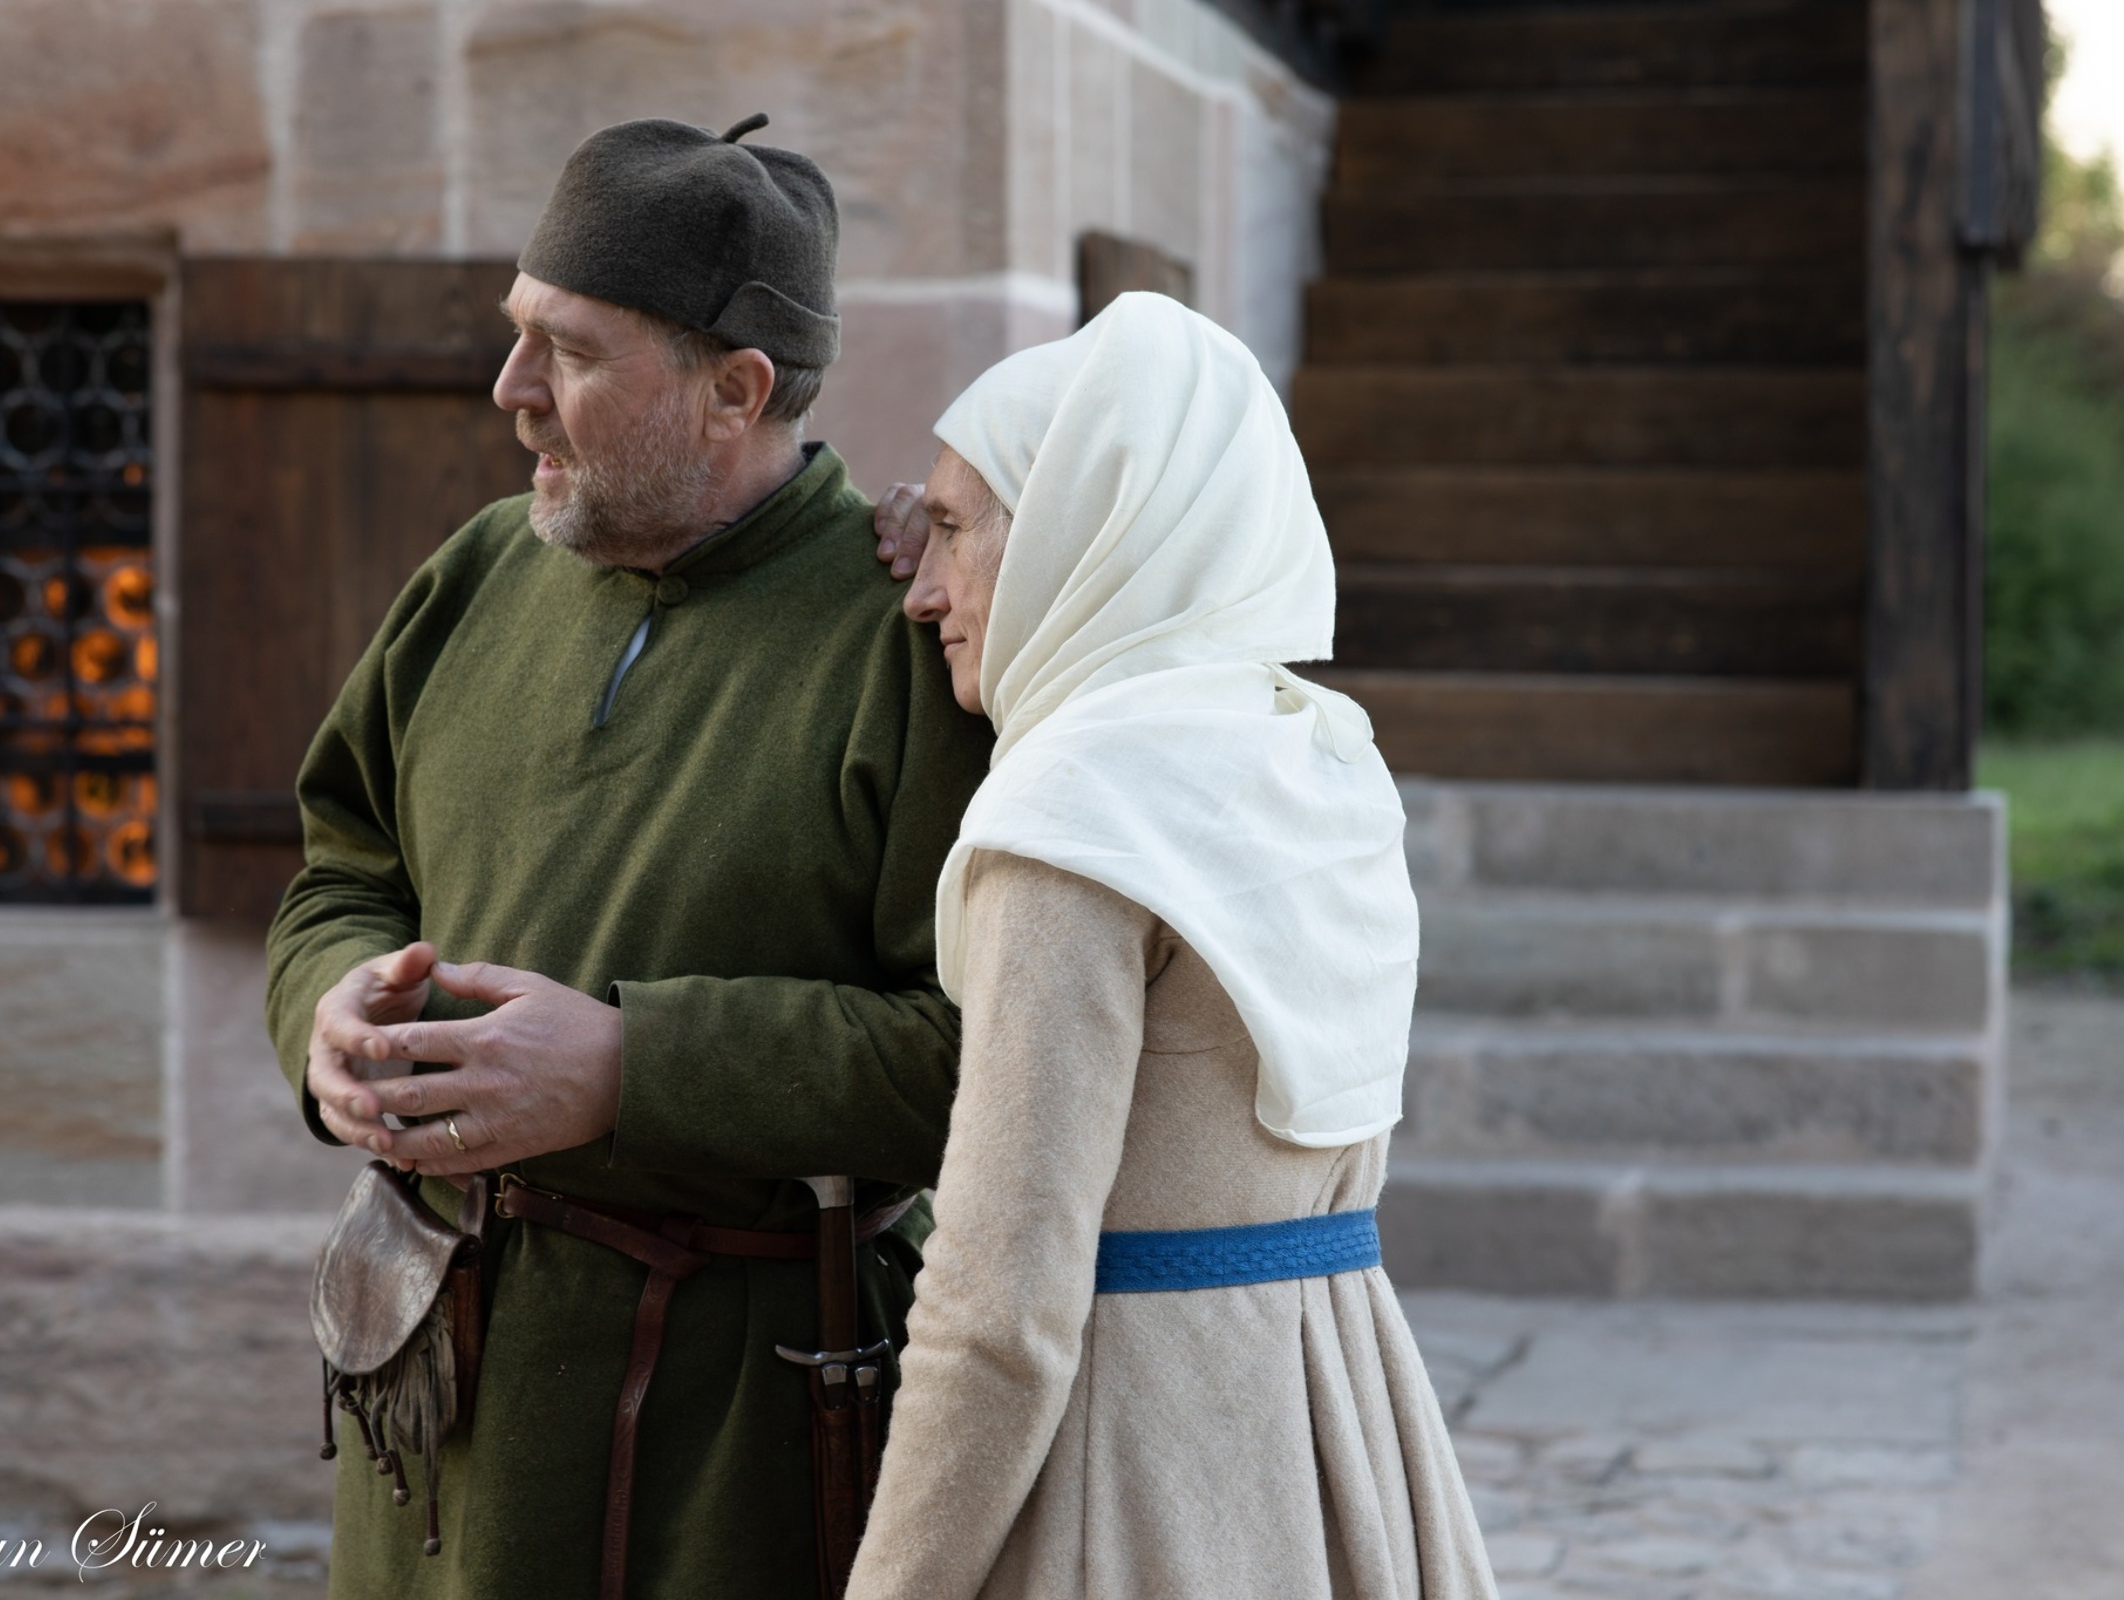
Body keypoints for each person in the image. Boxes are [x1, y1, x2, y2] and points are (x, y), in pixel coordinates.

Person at [266, 114, 993, 1600]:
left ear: (735, 390)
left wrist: (631, 1067)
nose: (511, 390)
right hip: (432, 1384)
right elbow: (341, 866)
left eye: (573, 353)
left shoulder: (917, 641)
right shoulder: (476, 572)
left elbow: (987, 1055)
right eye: (517, 332)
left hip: (731, 1439)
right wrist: (327, 1010)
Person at [846, 293, 1500, 1599]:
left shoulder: (1075, 819)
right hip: (1337, 1417)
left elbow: (999, 1309)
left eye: (958, 530)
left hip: (1135, 1464)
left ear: (1077, 533)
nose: (923, 592)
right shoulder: (1314, 756)